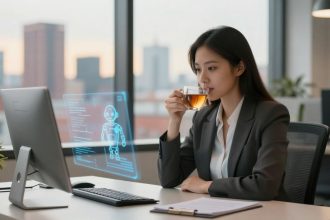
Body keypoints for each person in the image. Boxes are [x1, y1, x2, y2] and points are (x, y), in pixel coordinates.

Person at [158, 26, 290, 201]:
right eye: (198, 69)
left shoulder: (270, 115)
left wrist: (206, 186)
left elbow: (264, 186)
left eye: (211, 68)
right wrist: (174, 122)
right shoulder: (204, 117)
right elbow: (169, 179)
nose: (202, 79)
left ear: (239, 68)